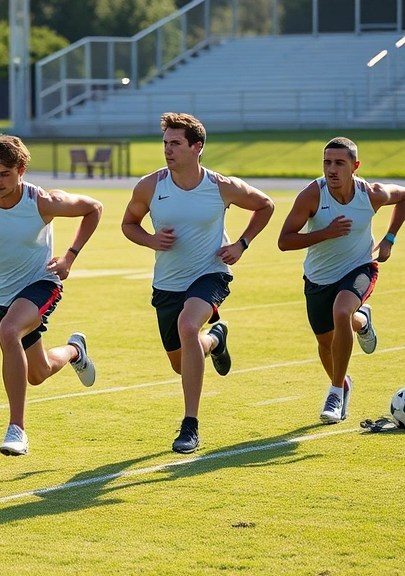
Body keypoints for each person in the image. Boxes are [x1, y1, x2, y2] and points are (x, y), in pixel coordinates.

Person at [121, 112, 274, 454]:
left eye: (175, 143)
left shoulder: (221, 186)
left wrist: (242, 244)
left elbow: (265, 206)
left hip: (211, 273)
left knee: (188, 326)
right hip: (167, 283)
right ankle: (215, 340)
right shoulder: (150, 186)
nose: (168, 150)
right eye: (165, 143)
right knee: (182, 362)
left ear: (197, 147)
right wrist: (151, 240)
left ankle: (190, 425)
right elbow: (129, 224)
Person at [0, 134, 103, 456]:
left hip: (40, 284)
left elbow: (93, 208)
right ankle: (75, 351)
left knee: (9, 330)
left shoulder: (42, 201)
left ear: (21, 170)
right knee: (38, 373)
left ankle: (17, 430)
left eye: (5, 174)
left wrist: (69, 256)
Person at [277, 137, 405, 423]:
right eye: (327, 162)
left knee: (341, 312)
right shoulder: (312, 195)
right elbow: (284, 241)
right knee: (326, 343)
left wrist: (389, 238)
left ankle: (335, 392)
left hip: (360, 268)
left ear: (355, 166)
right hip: (318, 278)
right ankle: (361, 324)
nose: (332, 169)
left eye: (340, 163)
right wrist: (325, 233)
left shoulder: (371, 194)